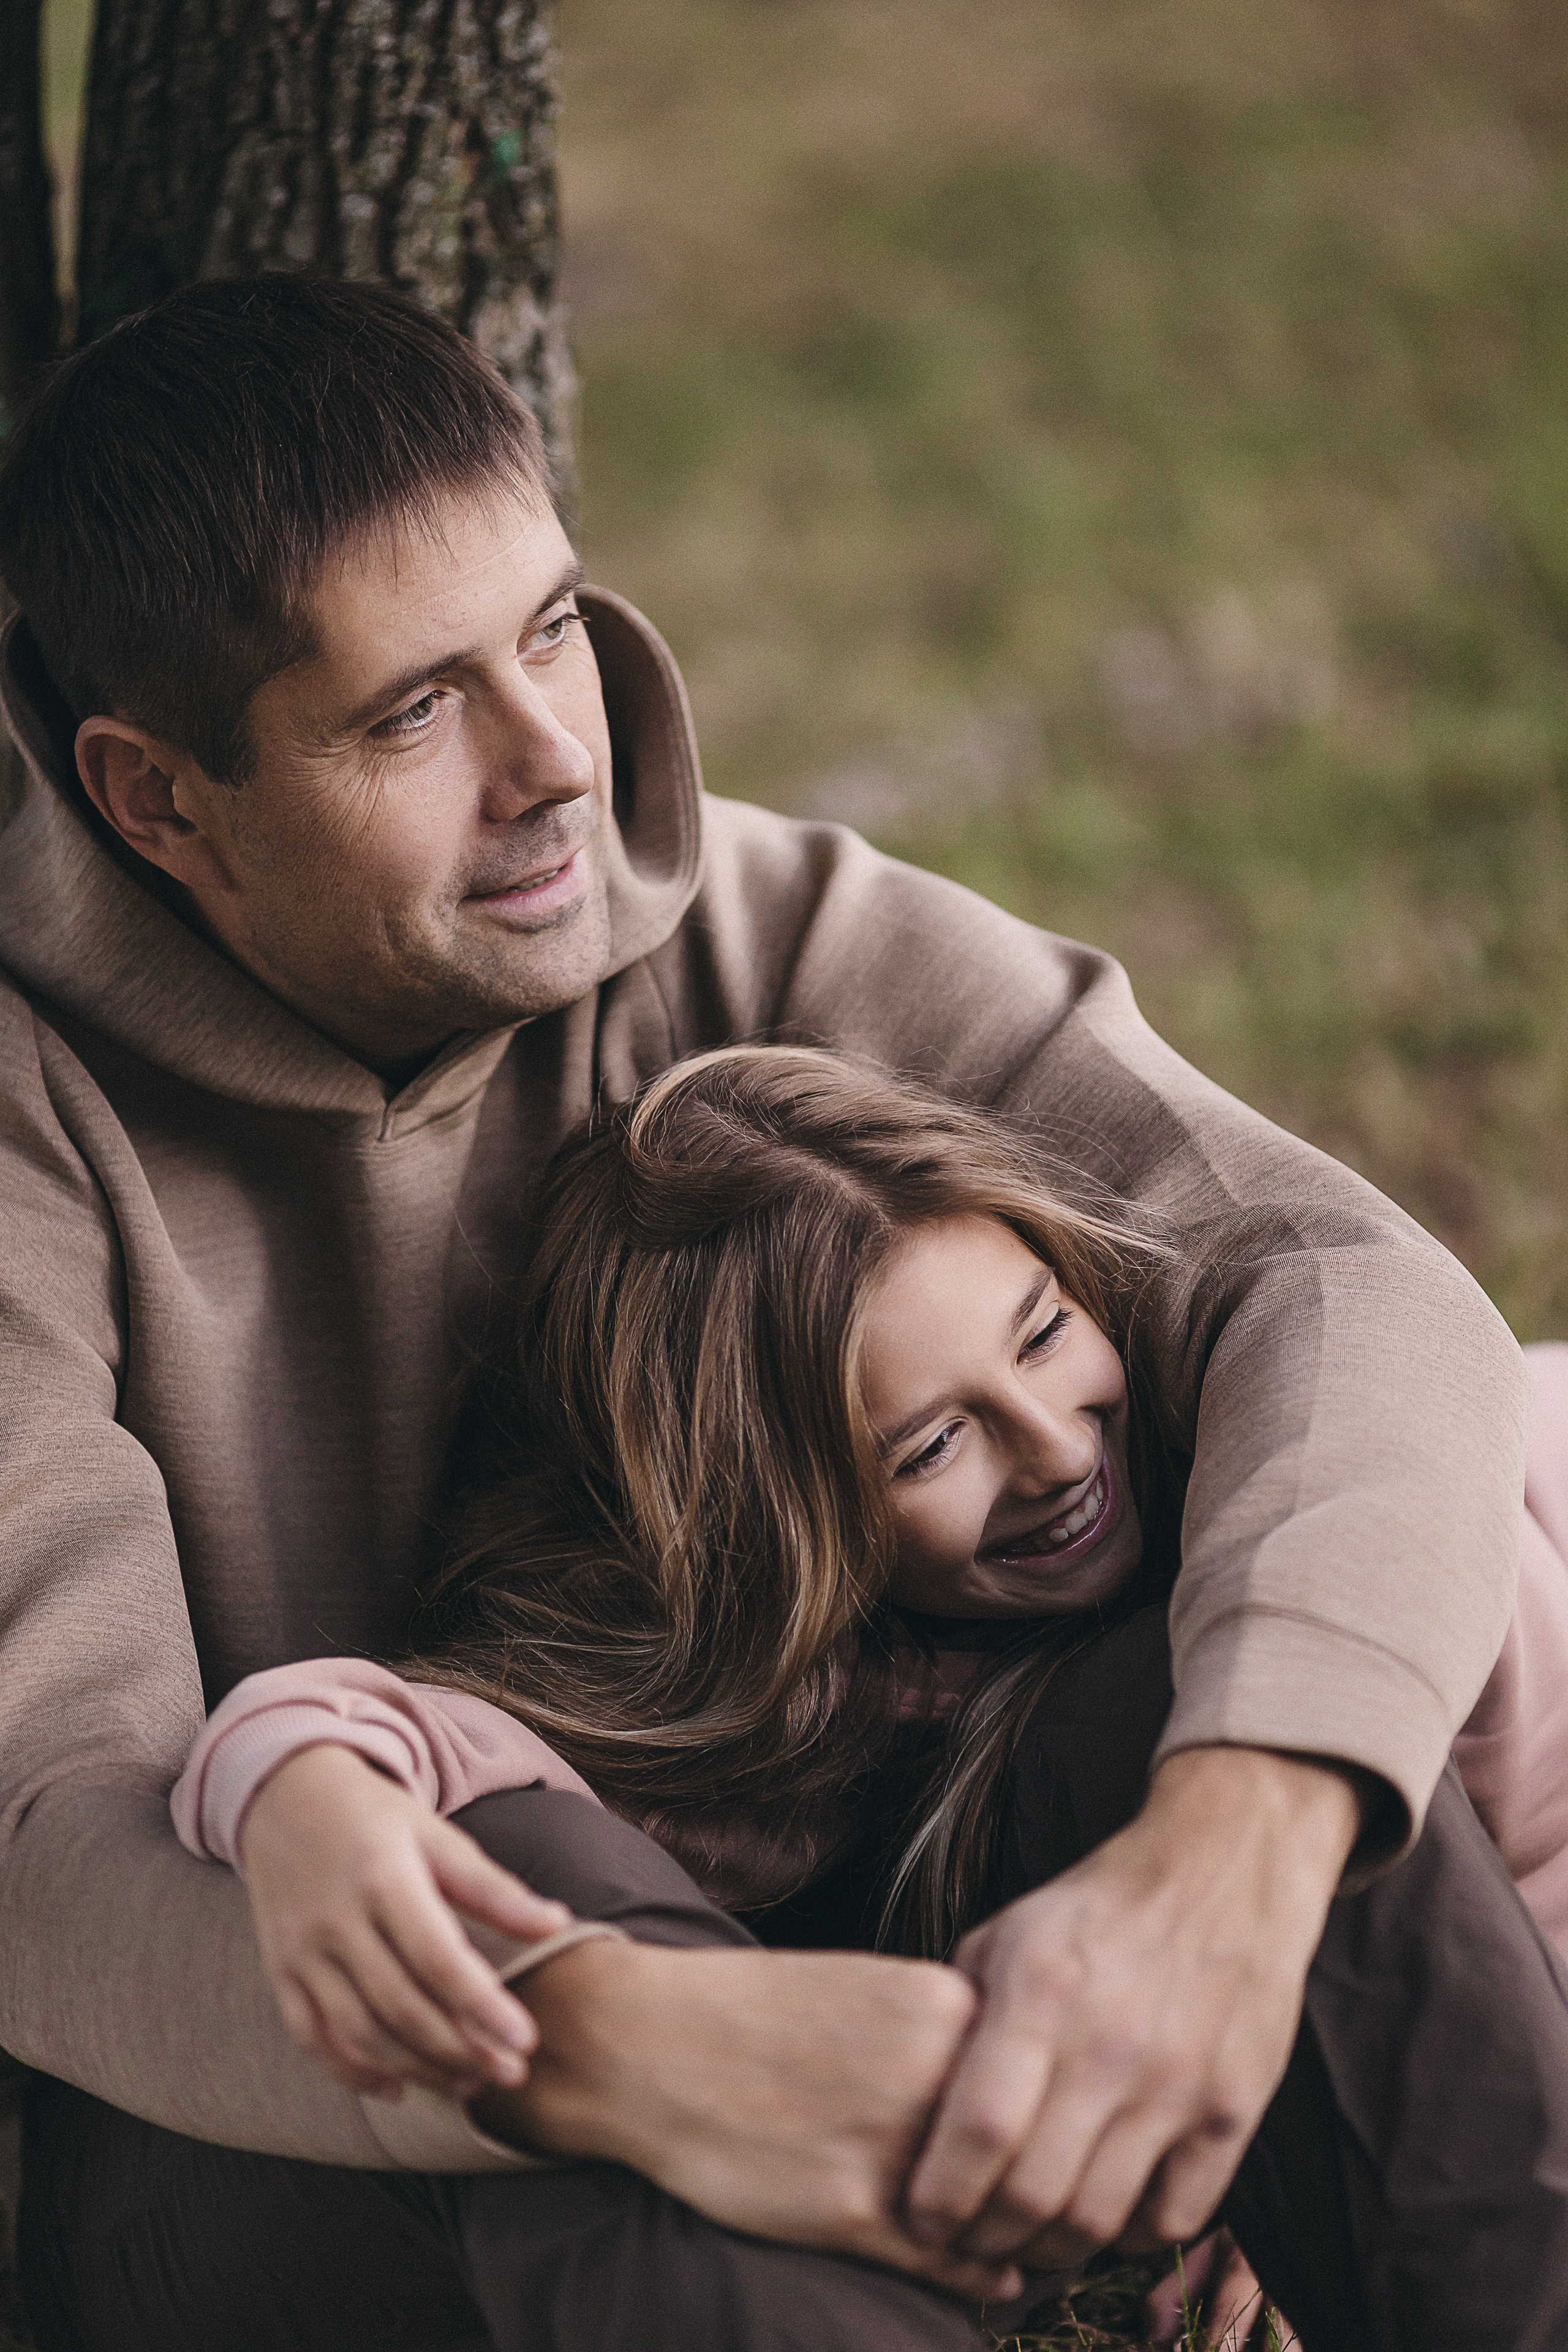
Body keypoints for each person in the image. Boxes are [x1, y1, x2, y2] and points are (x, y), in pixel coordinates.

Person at [0, 273, 1559, 2351]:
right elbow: (48, 1827)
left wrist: (1232, 1868)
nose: (557, 759)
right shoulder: (25, 1135)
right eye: (412, 711)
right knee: (578, 2023)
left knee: (1228, 1724)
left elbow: (1343, 1285)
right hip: (290, 2155)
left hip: (813, 1926)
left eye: (551, 628)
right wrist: (624, 2048)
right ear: (159, 798)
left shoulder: (746, 919)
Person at [168, 1046, 1568, 2343]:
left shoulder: (1331, 1528)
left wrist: (1290, 2121)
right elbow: (380, 1725)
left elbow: (1486, 1932)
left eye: (1039, 1335)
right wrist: (299, 1801)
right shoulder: (808, 1717)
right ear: (782, 1530)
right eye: (930, 1445)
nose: (1054, 1451)